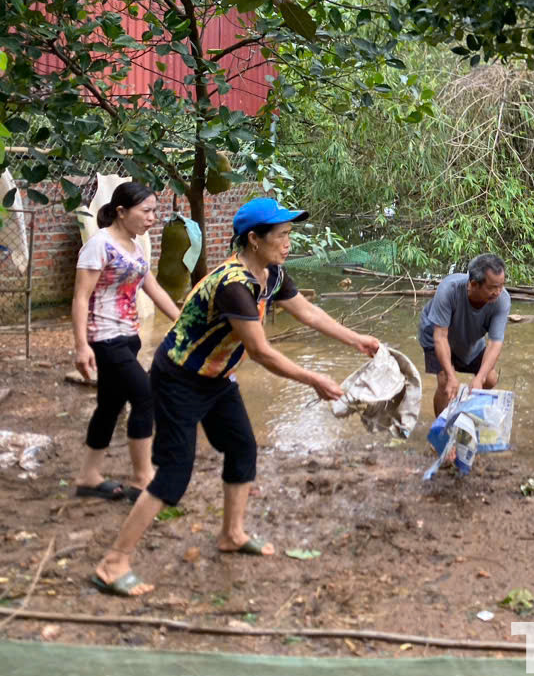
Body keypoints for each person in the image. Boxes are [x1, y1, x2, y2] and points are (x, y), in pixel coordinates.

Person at [91, 197, 379, 597]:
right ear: (254, 239)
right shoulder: (233, 285)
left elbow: (308, 313)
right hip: (179, 378)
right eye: (281, 236)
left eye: (289, 235)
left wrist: (357, 340)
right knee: (174, 475)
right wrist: (314, 379)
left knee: (242, 448)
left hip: (217, 377)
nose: (287, 243)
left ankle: (232, 533)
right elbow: (261, 352)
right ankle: (113, 562)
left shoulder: (271, 274)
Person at [72, 182, 182, 501]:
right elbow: (81, 298)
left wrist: (184, 322)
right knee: (146, 396)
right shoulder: (99, 245)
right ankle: (143, 478)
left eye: (154, 212)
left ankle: (88, 477)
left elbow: (154, 289)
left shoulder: (135, 247)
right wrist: (81, 346)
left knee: (110, 406)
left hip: (128, 337)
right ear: (121, 212)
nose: (151, 218)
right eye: (145, 211)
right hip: (104, 338)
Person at [418, 253, 510, 417]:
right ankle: (442, 437)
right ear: (474, 284)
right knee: (446, 383)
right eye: (492, 287)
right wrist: (451, 374)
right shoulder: (449, 289)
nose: (498, 292)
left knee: (490, 380)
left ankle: (464, 415)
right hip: (436, 333)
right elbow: (440, 337)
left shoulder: (502, 300)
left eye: (501, 285)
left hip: (468, 335)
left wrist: (479, 379)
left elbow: (495, 343)